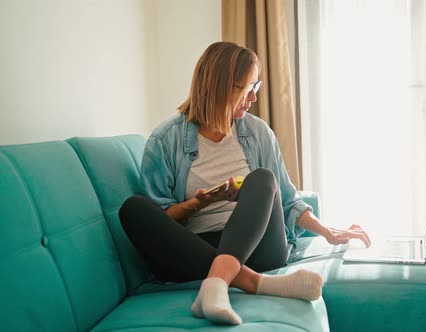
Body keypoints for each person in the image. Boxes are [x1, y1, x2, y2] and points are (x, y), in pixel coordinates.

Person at [118, 41, 371, 325]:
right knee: (133, 209)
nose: (253, 98)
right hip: (192, 250)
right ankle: (252, 282)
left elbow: (287, 200)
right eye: (246, 88)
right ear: (218, 87)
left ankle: (216, 282)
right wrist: (197, 204)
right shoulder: (166, 140)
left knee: (262, 179)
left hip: (259, 248)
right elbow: (162, 220)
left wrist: (328, 231)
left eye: (256, 86)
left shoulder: (257, 132)